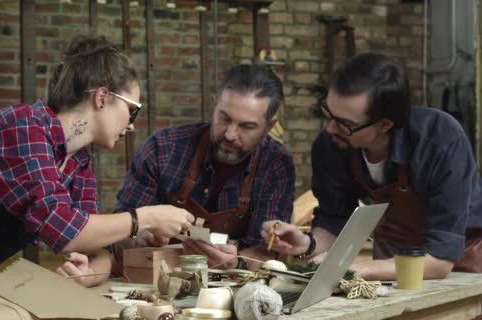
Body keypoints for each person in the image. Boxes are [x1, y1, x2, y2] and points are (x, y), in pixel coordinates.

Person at [0, 36, 194, 293]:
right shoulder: (22, 127)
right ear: (102, 97)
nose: (131, 126)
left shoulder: (78, 165)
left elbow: (95, 249)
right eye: (133, 111)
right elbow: (66, 229)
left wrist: (87, 274)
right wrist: (145, 218)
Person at [263, 53, 482, 280]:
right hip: (393, 254)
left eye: (346, 124)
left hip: (465, 260)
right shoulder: (331, 145)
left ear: (385, 125)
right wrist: (308, 244)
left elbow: (440, 259)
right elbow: (334, 219)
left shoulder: (440, 139)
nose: (330, 129)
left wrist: (358, 269)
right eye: (328, 113)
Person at [114, 64, 295, 270]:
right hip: (157, 279)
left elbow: (267, 250)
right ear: (214, 104)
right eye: (224, 118)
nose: (230, 134)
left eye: (246, 126)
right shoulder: (163, 148)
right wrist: (138, 237)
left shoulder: (275, 164)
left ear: (269, 127)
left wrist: (237, 262)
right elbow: (119, 234)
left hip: (232, 288)